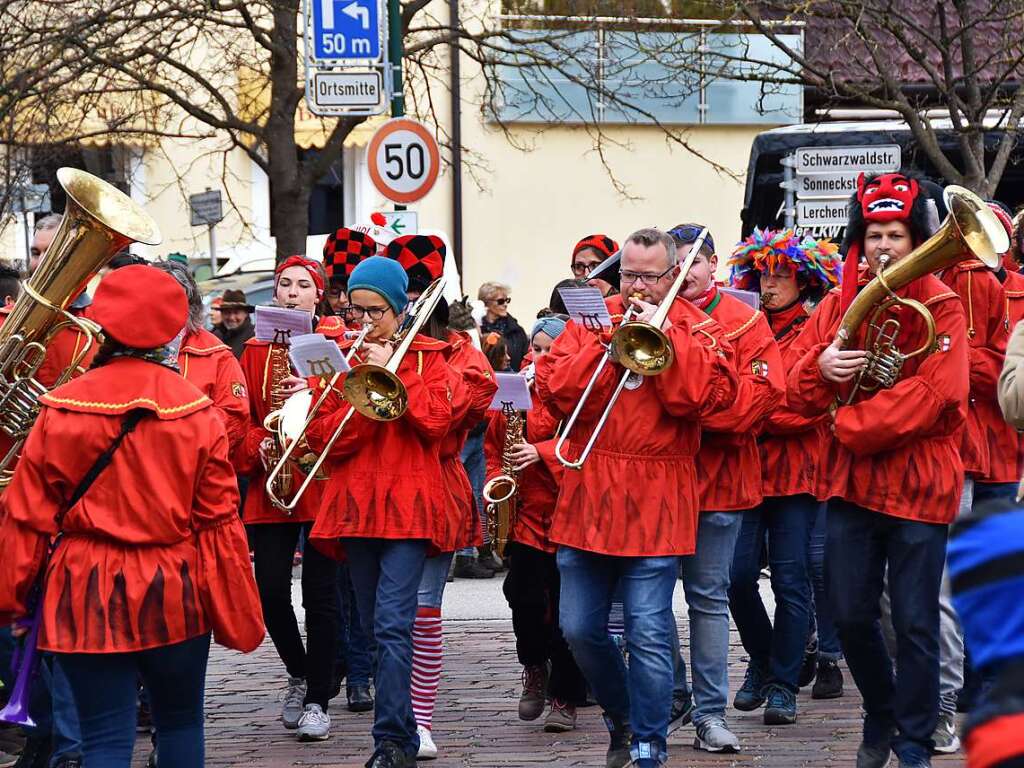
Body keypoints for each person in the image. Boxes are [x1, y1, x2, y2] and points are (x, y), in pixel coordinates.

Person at [0, 264, 264, 768]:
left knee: (103, 738)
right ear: (174, 329)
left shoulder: (61, 407)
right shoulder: (197, 411)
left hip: (82, 589)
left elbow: (27, 516)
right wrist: (234, 607)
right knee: (181, 721)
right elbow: (219, 521)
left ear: (102, 323)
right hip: (174, 586)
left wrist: (12, 600)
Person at [535, 228, 737, 768]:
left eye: (649, 276)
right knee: (578, 627)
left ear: (672, 275)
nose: (638, 286)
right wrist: (606, 344)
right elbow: (555, 392)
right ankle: (624, 716)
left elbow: (700, 402)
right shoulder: (590, 321)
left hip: (658, 492)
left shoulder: (698, 328)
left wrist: (664, 338)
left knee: (648, 629)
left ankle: (649, 740)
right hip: (589, 490)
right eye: (629, 274)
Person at [786, 171, 969, 768]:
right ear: (859, 240)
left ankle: (913, 741)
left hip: (918, 485)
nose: (883, 246)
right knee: (848, 614)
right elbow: (793, 387)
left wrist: (848, 425)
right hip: (854, 488)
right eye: (872, 234)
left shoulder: (941, 305)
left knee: (915, 623)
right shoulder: (842, 304)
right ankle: (883, 711)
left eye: (895, 233)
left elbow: (937, 396)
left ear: (916, 239)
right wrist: (823, 369)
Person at [305, 256, 455, 768]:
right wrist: (361, 387)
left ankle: (390, 740)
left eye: (375, 311)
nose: (363, 323)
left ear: (398, 308)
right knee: (371, 626)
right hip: (355, 504)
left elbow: (437, 424)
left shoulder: (430, 358)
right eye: (355, 311)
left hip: (410, 503)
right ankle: (405, 735)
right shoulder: (335, 359)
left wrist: (392, 376)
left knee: (394, 624)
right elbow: (323, 440)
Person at [662, 224, 784, 748]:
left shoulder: (745, 319)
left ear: (715, 265)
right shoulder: (650, 316)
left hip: (720, 481)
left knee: (707, 597)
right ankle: (673, 693)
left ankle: (711, 713)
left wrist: (690, 411)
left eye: (697, 261)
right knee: (646, 597)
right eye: (678, 262)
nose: (687, 272)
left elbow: (761, 396)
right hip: (661, 481)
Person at [383, 235, 498, 759]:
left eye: (411, 295)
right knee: (384, 621)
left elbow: (458, 418)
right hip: (378, 493)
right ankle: (396, 716)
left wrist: (410, 361)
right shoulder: (370, 343)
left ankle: (419, 720)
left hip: (436, 486)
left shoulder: (463, 353)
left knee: (423, 609)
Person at [725, 228, 845, 723]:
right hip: (747, 470)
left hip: (795, 473)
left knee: (793, 581)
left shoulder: (816, 328)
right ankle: (767, 659)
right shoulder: (742, 326)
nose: (770, 284)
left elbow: (804, 405)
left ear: (804, 281)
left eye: (781, 275)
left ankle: (782, 686)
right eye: (764, 274)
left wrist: (752, 413)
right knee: (735, 579)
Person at [235, 255, 340, 741]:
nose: (293, 292)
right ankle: (300, 673)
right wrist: (257, 439)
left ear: (318, 296)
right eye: (285, 285)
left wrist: (314, 385)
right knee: (270, 590)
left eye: (303, 285)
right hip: (270, 482)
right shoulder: (253, 349)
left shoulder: (330, 344)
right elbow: (238, 414)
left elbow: (342, 402)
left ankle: (319, 698)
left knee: (320, 596)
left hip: (317, 481)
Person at [487, 314, 588, 734]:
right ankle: (533, 665)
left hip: (570, 514)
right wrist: (496, 478)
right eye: (538, 350)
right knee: (524, 597)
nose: (542, 359)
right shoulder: (517, 392)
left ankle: (565, 696)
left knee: (569, 612)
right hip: (527, 515)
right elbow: (495, 446)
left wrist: (542, 452)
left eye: (552, 351)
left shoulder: (582, 394)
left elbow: (587, 446)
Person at [153, 261, 249, 453]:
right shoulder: (126, 346)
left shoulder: (218, 355)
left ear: (190, 305)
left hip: (193, 467)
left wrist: (174, 431)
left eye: (172, 299)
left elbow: (235, 420)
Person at [478, 282, 528, 371]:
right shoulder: (477, 331)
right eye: (500, 301)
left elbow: (524, 360)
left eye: (507, 300)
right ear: (486, 303)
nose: (505, 304)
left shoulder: (517, 330)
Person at [211, 290, 255, 359]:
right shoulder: (216, 336)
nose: (231, 317)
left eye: (236, 313)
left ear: (246, 313)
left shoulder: (253, 337)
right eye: (227, 313)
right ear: (222, 314)